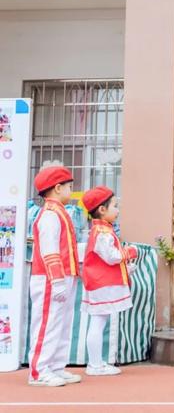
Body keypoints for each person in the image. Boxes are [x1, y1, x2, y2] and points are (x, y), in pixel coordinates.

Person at [28, 166, 81, 387]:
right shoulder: (50, 215)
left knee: (61, 323)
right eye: (69, 186)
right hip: (51, 279)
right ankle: (39, 371)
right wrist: (57, 280)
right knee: (47, 324)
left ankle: (56, 366)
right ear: (58, 188)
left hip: (63, 277)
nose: (72, 190)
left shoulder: (59, 212)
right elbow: (49, 250)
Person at [81, 186, 137, 376]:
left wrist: (126, 268)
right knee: (98, 322)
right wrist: (130, 251)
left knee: (99, 321)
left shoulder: (101, 230)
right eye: (115, 205)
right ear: (102, 209)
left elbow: (107, 260)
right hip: (100, 284)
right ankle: (95, 365)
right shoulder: (102, 232)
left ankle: (96, 363)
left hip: (99, 283)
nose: (118, 210)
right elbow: (111, 257)